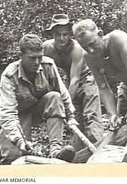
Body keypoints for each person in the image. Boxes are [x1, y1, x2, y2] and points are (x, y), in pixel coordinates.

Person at [0, 34, 79, 164]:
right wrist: (20, 141)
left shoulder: (48, 64)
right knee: (13, 158)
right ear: (21, 55)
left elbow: (62, 92)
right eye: (32, 58)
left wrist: (71, 117)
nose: (37, 62)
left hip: (39, 108)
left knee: (55, 97)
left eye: (39, 57)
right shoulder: (9, 76)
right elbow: (7, 114)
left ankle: (55, 151)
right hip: (18, 116)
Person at [72, 19, 127, 126]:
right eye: (85, 47)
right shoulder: (89, 56)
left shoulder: (118, 38)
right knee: (118, 122)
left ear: (100, 34)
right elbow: (103, 87)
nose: (91, 50)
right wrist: (112, 114)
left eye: (92, 44)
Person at [43, 14, 104, 149]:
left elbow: (75, 79)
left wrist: (66, 106)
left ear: (69, 34)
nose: (61, 38)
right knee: (76, 120)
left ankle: (100, 149)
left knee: (91, 115)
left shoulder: (76, 48)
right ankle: (80, 153)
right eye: (58, 34)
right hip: (67, 82)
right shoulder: (46, 48)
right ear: (52, 33)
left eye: (65, 34)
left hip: (85, 79)